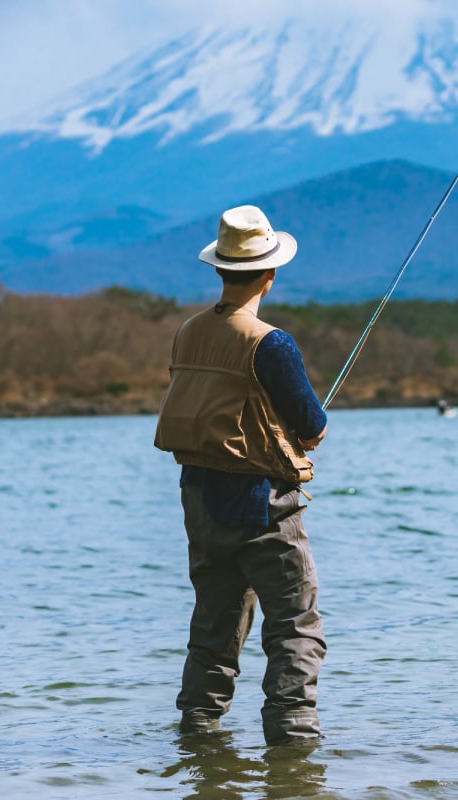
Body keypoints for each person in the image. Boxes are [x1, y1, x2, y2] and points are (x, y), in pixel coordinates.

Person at [154, 205, 328, 745]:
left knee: (214, 625)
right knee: (295, 625)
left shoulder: (188, 332)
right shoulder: (271, 342)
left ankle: (199, 733)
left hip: (200, 499)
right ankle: (293, 742)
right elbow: (312, 424)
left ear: (220, 269)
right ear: (270, 274)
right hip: (262, 503)